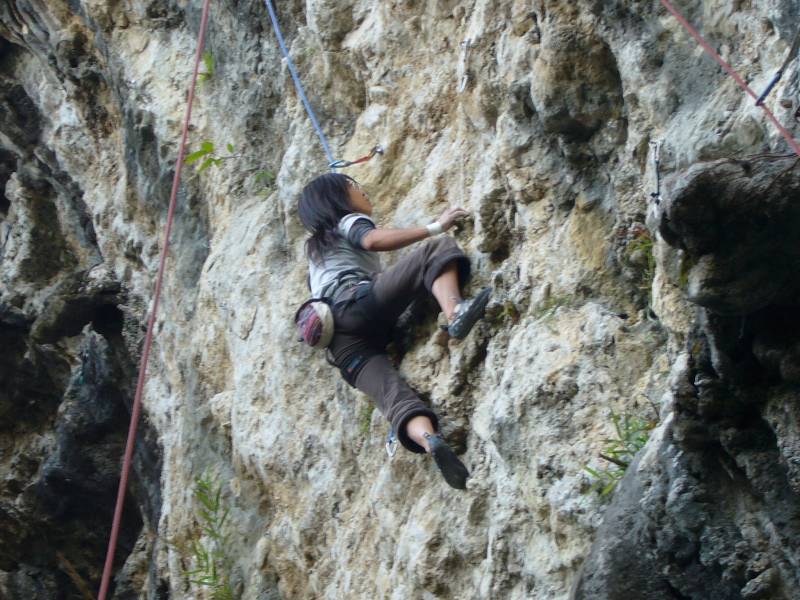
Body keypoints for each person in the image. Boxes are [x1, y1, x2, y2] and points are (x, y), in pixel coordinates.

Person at [298, 173, 491, 489]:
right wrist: (436, 226)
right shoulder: (347, 222)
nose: (363, 192)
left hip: (340, 344)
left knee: (395, 400)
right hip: (355, 304)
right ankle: (455, 311)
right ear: (337, 199)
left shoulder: (315, 254)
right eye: (354, 187)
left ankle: (429, 439)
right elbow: (372, 241)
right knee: (435, 251)